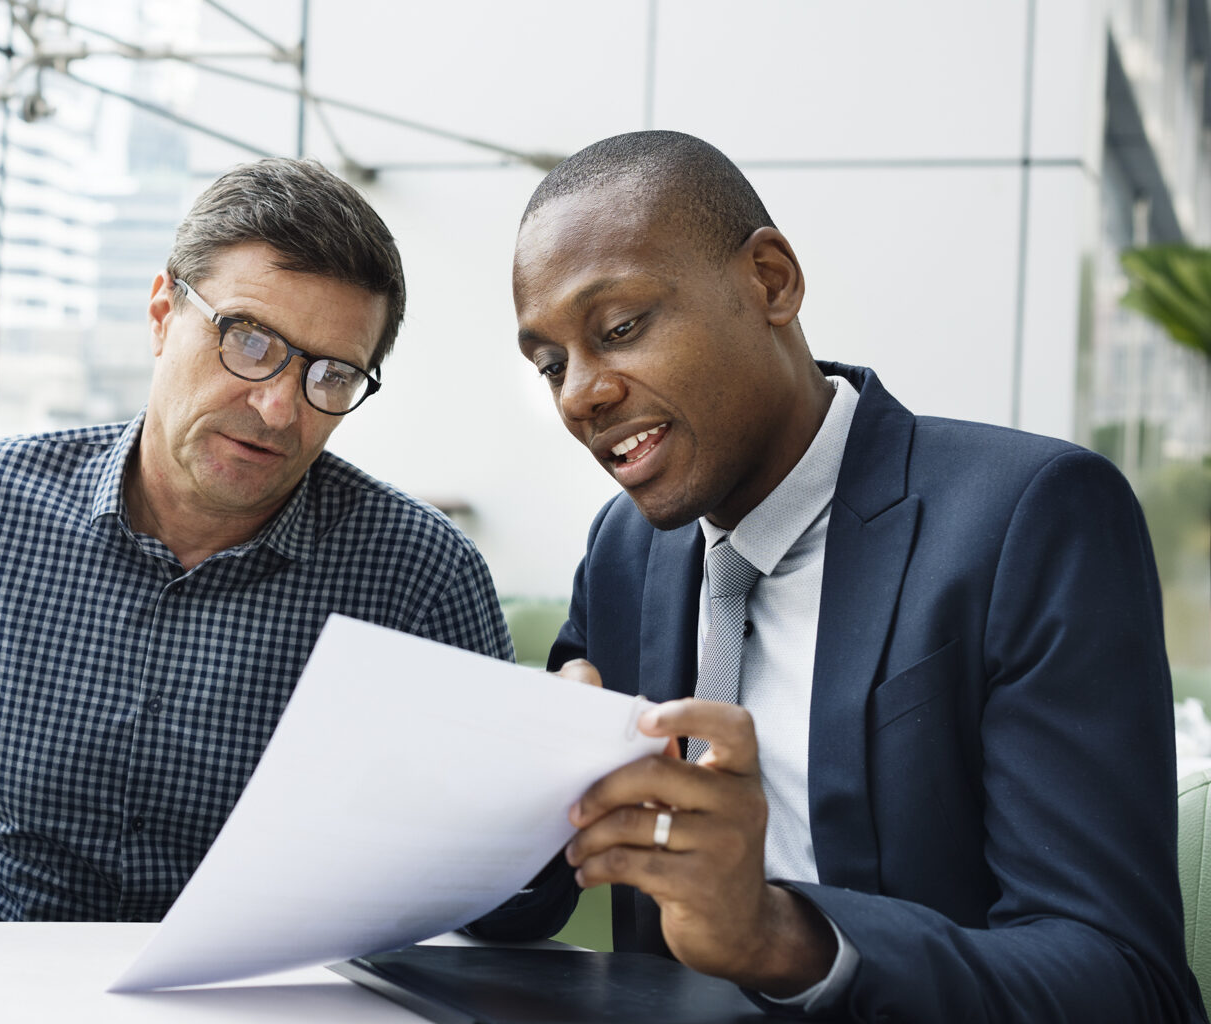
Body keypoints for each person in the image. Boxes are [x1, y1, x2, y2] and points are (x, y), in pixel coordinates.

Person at [502, 130, 1205, 1020]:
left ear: (770, 282)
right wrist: (503, 802)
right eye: (551, 363)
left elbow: (1122, 981)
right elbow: (533, 898)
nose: (578, 395)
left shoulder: (1032, 518)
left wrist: (783, 937)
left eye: (620, 329)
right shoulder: (625, 551)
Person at [0, 157, 514, 923]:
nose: (277, 408)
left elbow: (497, 888)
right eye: (250, 341)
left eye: (330, 377)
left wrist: (546, 805)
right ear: (164, 313)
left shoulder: (421, 576)